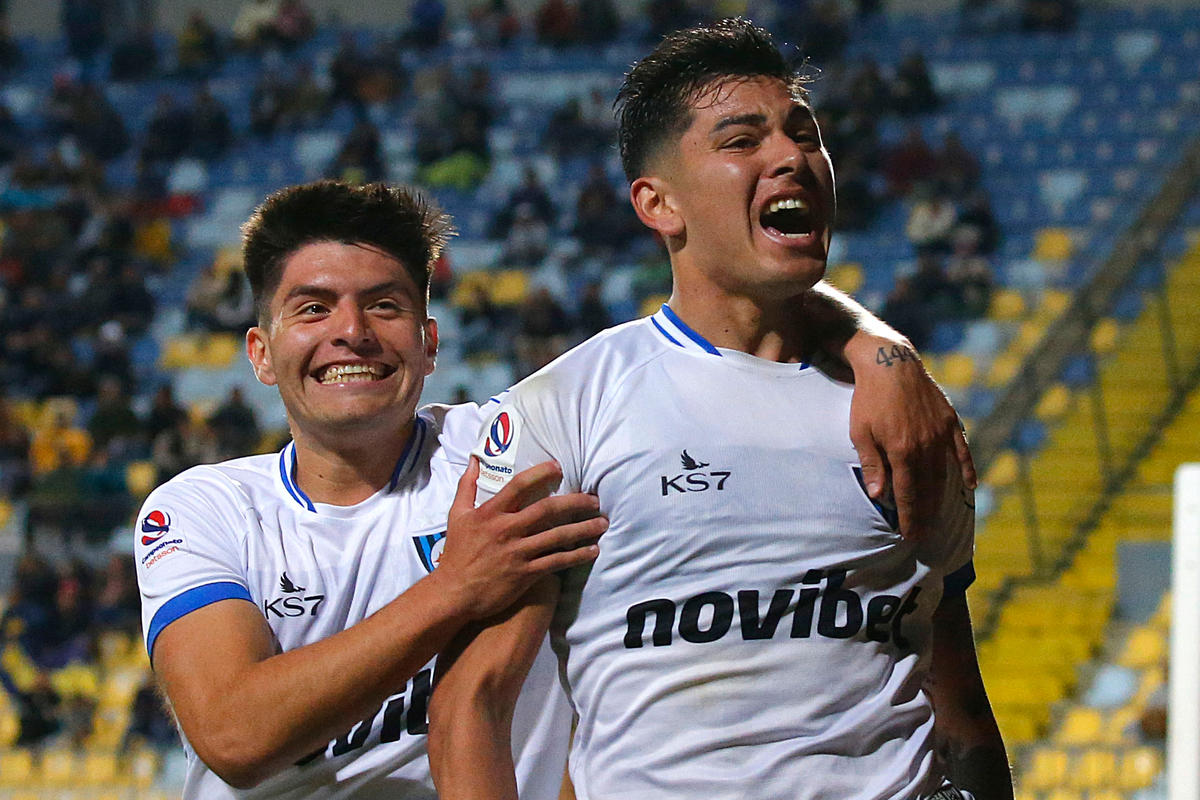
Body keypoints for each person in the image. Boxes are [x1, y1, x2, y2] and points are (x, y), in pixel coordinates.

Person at [138, 176, 969, 799]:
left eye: (384, 306)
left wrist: (878, 349)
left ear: (429, 343)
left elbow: (720, 316)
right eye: (312, 309)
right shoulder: (205, 510)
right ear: (258, 351)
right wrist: (456, 589)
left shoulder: (515, 446)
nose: (351, 332)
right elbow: (236, 734)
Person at [428, 20, 1009, 800]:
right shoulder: (563, 410)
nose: (791, 157)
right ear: (658, 203)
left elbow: (958, 697)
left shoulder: (909, 412)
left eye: (804, 134)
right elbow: (472, 703)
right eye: (742, 141)